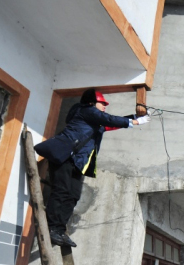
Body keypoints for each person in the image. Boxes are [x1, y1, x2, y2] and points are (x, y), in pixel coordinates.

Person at [36, 88, 150, 248]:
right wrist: (136, 122)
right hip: (65, 157)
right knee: (61, 192)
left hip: (78, 162)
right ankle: (52, 228)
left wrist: (134, 118)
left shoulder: (94, 121)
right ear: (91, 103)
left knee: (73, 196)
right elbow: (108, 119)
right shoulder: (83, 110)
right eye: (102, 103)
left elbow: (110, 125)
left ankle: (59, 230)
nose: (105, 105)